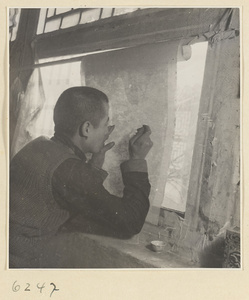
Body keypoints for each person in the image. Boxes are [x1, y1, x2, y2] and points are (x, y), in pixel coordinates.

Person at [9, 86, 153, 268]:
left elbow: (68, 188)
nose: (107, 131)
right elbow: (130, 221)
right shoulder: (69, 171)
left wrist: (95, 161)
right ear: (86, 128)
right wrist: (137, 160)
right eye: (104, 124)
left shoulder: (37, 145)